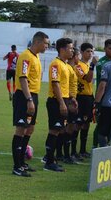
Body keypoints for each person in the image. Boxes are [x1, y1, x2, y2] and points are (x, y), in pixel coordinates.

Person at [11, 31, 49, 177]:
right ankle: (16, 167)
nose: (47, 46)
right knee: (20, 130)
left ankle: (22, 162)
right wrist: (29, 100)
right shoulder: (26, 56)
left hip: (33, 95)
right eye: (46, 43)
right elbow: (22, 78)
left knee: (30, 128)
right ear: (38, 42)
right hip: (24, 96)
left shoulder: (36, 56)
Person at [43, 38, 74, 172]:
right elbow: (55, 84)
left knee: (60, 130)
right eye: (70, 48)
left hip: (64, 100)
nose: (72, 50)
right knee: (54, 130)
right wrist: (61, 103)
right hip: (56, 101)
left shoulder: (66, 65)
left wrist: (71, 99)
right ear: (62, 49)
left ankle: (52, 158)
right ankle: (48, 161)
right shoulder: (56, 64)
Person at [72, 43, 97, 159]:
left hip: (88, 97)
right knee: (78, 124)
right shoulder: (78, 66)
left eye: (91, 51)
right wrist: (92, 66)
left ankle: (82, 150)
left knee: (86, 123)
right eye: (87, 51)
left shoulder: (87, 65)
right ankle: (73, 151)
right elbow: (88, 79)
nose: (90, 54)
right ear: (81, 52)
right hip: (80, 98)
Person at [92, 39, 111, 149]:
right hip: (102, 98)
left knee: (110, 124)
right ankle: (95, 146)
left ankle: (106, 145)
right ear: (105, 49)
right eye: (110, 48)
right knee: (101, 124)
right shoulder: (102, 63)